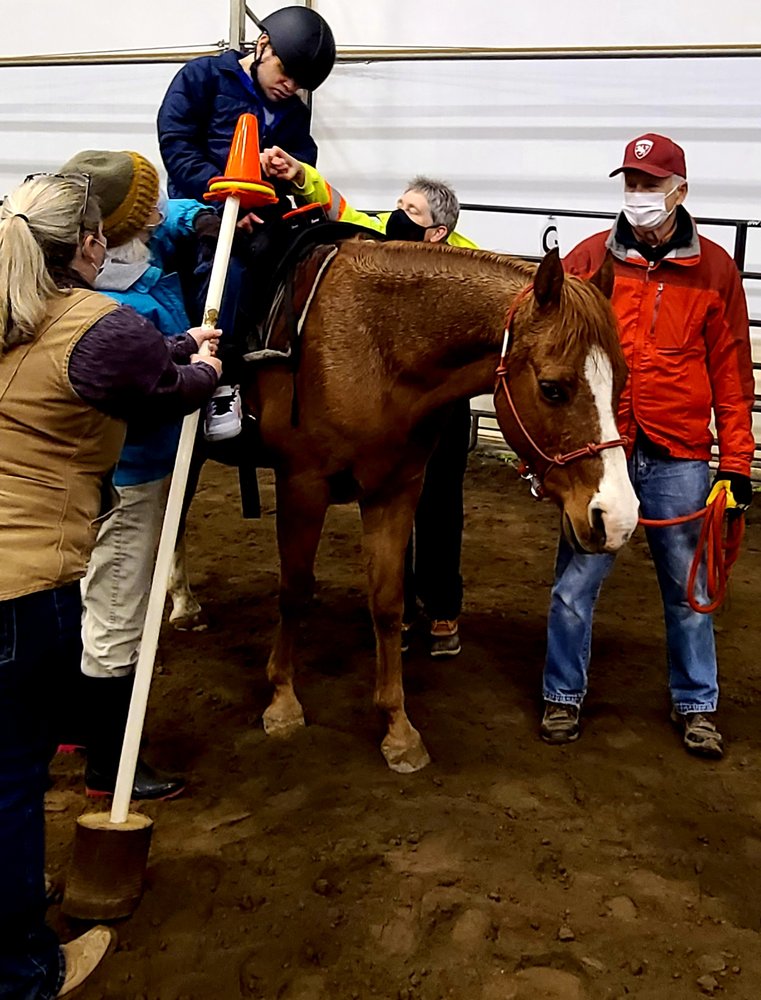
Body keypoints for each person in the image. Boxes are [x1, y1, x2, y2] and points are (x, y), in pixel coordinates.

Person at [0, 172, 221, 997]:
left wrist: (172, 349)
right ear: (91, 244)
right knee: (11, 785)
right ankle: (21, 972)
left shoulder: (12, 305)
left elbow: (97, 367)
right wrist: (199, 365)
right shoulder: (102, 322)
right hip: (21, 589)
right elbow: (162, 392)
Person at [540, 133, 755, 758]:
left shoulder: (714, 271)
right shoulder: (586, 261)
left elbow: (732, 376)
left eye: (650, 184)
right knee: (574, 582)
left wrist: (735, 466)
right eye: (630, 183)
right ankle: (562, 694)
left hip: (678, 452)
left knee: (689, 588)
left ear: (678, 192)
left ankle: (696, 705)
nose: (638, 195)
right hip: (603, 451)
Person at [261, 146, 477, 656]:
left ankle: (443, 610)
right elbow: (343, 210)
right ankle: (397, 610)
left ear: (438, 232)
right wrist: (300, 174)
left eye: (411, 211)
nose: (395, 216)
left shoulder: (464, 263)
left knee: (441, 507)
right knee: (389, 500)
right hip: (397, 403)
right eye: (398, 205)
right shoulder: (385, 240)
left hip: (444, 405)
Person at [58, 149, 222, 799]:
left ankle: (73, 722)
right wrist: (204, 375)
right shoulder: (119, 309)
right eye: (151, 202)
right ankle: (110, 765)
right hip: (131, 473)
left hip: (91, 472)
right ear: (123, 225)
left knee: (83, 590)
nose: (163, 208)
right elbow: (157, 388)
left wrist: (198, 216)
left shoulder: (111, 258)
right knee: (117, 613)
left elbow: (169, 215)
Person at [157, 6, 335, 441]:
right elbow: (176, 144)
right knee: (229, 273)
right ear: (262, 45)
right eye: (286, 72)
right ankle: (220, 374)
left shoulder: (293, 111)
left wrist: (289, 165)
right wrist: (227, 183)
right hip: (205, 211)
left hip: (264, 216)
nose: (289, 86)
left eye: (300, 83)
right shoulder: (201, 78)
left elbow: (304, 155)